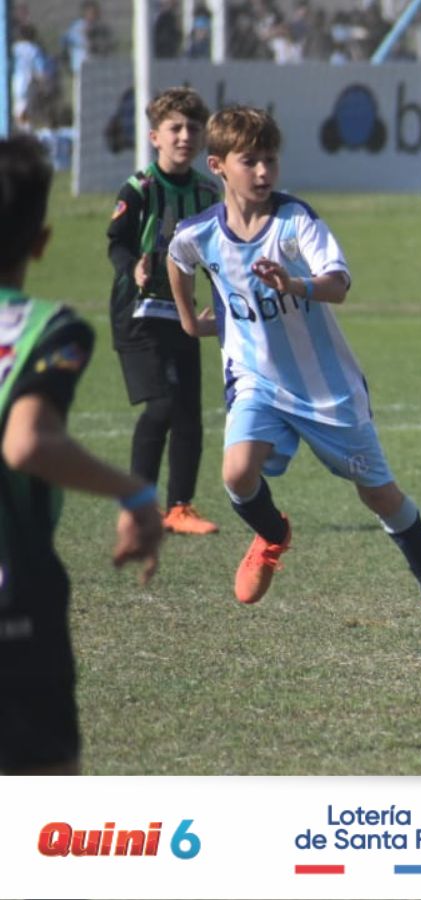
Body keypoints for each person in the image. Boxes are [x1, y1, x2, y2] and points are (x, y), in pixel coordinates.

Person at [165, 106, 421, 639]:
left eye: (271, 160)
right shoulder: (200, 233)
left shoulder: (294, 221)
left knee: (380, 495)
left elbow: (339, 284)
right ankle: (271, 533)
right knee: (236, 473)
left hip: (327, 390)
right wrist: (191, 321)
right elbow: (177, 255)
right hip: (256, 381)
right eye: (249, 161)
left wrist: (296, 285)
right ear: (217, 165)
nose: (263, 172)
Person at [0, 136, 164, 775]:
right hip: (16, 599)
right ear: (41, 242)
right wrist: (134, 491)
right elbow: (29, 441)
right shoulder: (46, 328)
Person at [107, 87, 222, 537]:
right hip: (137, 314)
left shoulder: (208, 191)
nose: (185, 136)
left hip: (181, 314)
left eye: (194, 128)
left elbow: (218, 250)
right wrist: (131, 265)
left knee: (189, 412)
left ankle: (179, 508)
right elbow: (116, 241)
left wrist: (224, 293)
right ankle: (139, 505)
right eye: (175, 128)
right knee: (161, 405)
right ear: (156, 136)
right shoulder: (140, 188)